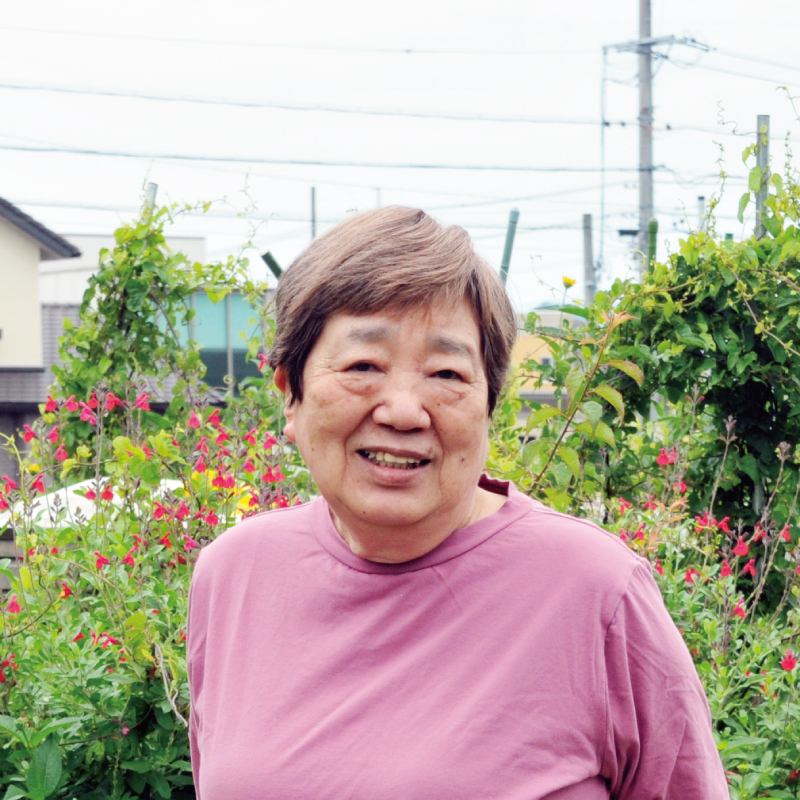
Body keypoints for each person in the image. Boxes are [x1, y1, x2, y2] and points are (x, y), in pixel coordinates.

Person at [187, 207, 729, 799]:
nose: (402, 410)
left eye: (445, 373)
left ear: (489, 404)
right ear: (291, 393)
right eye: (363, 365)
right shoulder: (234, 575)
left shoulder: (595, 590)